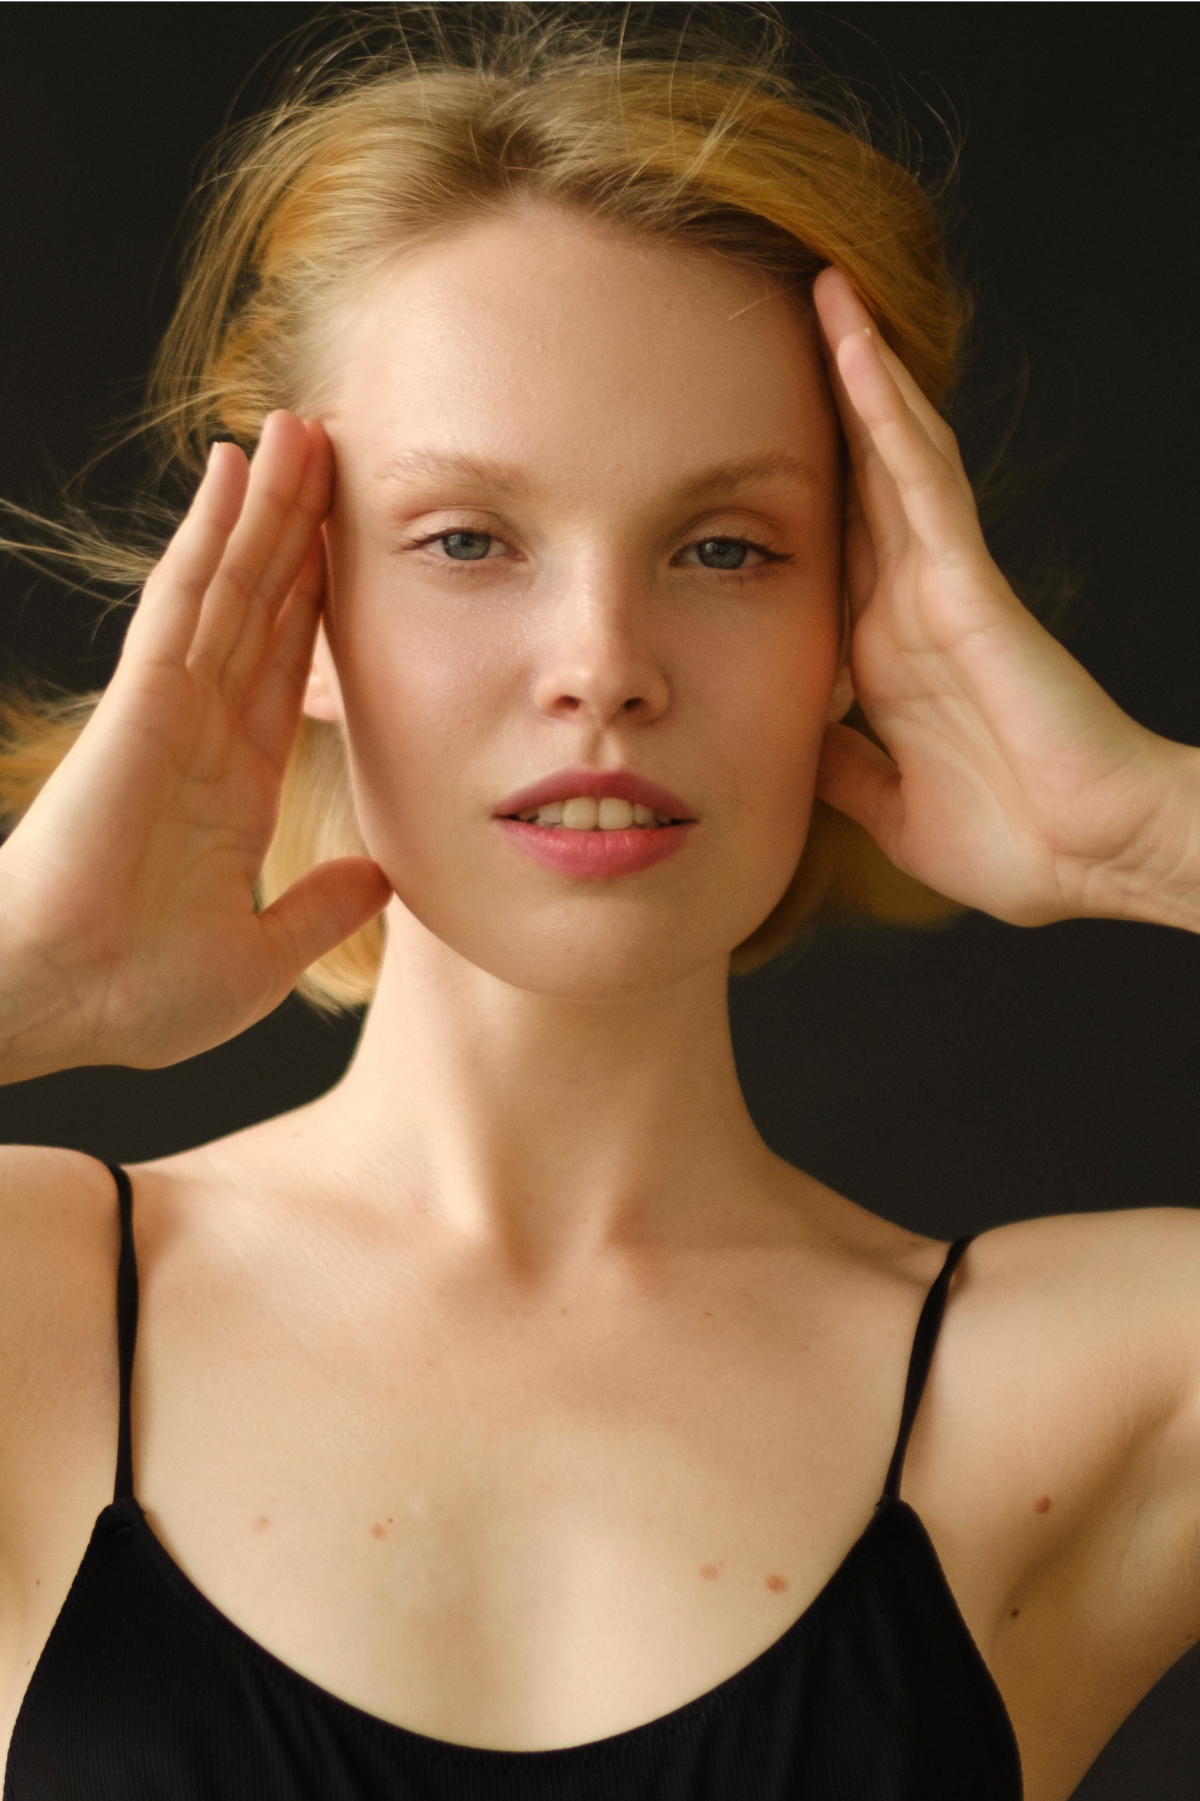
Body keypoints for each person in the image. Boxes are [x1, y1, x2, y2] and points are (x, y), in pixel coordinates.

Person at [0, 7, 1197, 1797]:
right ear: (289, 599)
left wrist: (1151, 830)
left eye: (725, 547)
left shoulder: (1078, 1384)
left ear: (857, 618)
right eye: (467, 540)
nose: (603, 663)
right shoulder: (32, 1305)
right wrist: (21, 976)